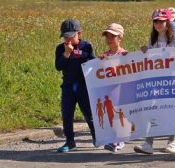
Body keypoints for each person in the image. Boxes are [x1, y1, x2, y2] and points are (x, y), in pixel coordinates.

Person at [133, 9, 175, 155]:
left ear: (168, 22)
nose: (158, 24)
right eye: (155, 21)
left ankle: (172, 141)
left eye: (161, 21)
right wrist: (144, 51)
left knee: (172, 110)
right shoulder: (152, 40)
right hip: (156, 82)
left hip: (173, 81)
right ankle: (148, 143)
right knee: (153, 110)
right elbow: (149, 58)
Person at [54, 18, 96, 153]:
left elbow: (93, 64)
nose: (68, 39)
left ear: (79, 33)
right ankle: (70, 142)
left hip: (83, 87)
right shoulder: (60, 48)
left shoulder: (86, 46)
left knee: (89, 114)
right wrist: (66, 53)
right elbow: (58, 66)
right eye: (65, 36)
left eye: (71, 36)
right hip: (68, 87)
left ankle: (97, 136)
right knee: (67, 115)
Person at [96, 23, 127, 152]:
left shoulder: (125, 54)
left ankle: (120, 139)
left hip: (121, 90)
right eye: (107, 36)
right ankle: (112, 139)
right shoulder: (105, 56)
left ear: (120, 38)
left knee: (120, 114)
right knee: (110, 114)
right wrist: (100, 62)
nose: (109, 39)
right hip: (108, 91)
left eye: (112, 36)